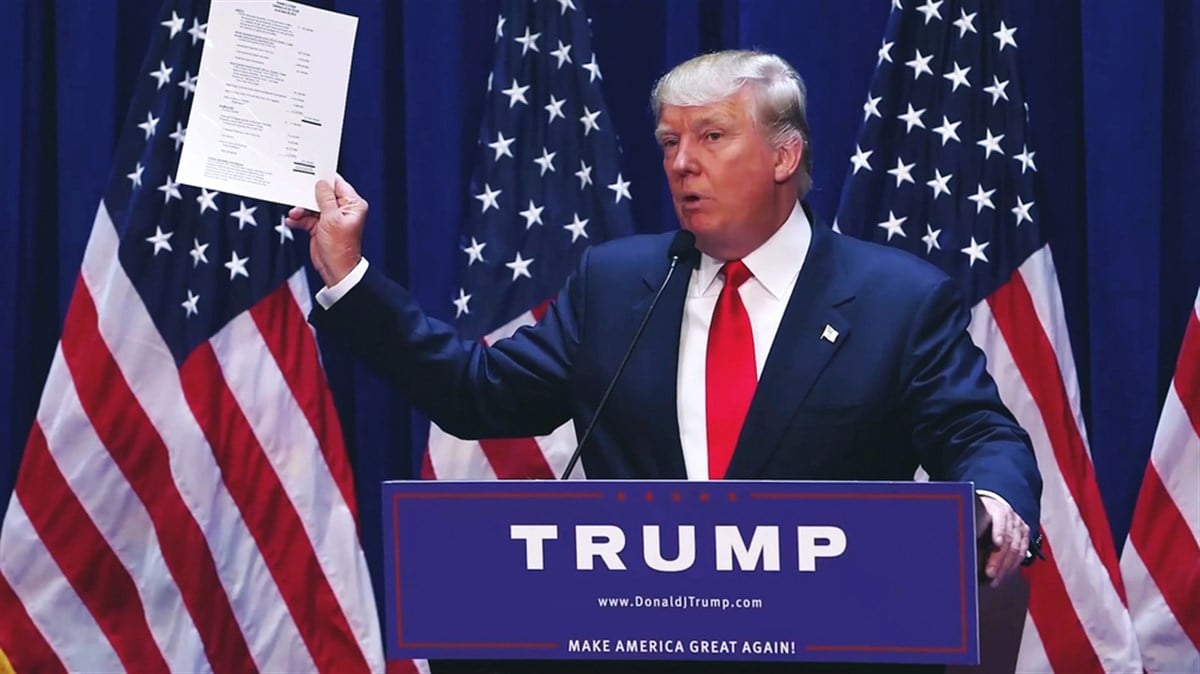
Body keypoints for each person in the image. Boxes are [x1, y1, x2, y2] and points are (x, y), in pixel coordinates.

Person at [287, 50, 1041, 674]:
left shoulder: (896, 299)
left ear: (785, 155)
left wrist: (993, 506)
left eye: (712, 138)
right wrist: (350, 278)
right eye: (669, 143)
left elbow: (982, 434)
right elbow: (478, 396)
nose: (682, 164)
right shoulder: (617, 284)